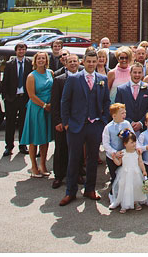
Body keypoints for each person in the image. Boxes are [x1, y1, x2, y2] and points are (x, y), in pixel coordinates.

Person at [59, 50, 111, 206]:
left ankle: (90, 189)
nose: (91, 64)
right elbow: (65, 101)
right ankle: (71, 191)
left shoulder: (102, 79)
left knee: (92, 160)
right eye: (88, 61)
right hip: (76, 125)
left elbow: (106, 102)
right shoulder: (74, 79)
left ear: (97, 63)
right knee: (74, 159)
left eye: (93, 62)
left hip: (95, 125)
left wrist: (103, 120)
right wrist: (66, 122)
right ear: (83, 61)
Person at [51, 54, 83, 189]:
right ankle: (59, 176)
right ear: (65, 64)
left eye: (75, 61)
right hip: (63, 121)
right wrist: (58, 121)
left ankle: (78, 173)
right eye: (70, 62)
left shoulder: (83, 78)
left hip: (78, 121)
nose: (73, 64)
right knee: (61, 148)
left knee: (77, 149)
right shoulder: (59, 80)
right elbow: (55, 102)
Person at [21, 51, 54, 177]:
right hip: (36, 108)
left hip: (48, 108)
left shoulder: (50, 73)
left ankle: (43, 165)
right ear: (35, 61)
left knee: (45, 138)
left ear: (46, 60)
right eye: (39, 58)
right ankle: (34, 167)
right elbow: (31, 95)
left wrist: (49, 105)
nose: (41, 60)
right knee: (35, 138)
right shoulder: (31, 76)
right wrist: (44, 105)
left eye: (43, 58)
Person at [2, 43, 32, 156]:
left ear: (25, 51)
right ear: (16, 51)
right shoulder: (10, 64)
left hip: (24, 98)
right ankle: (9, 146)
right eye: (19, 49)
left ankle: (22, 145)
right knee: (10, 123)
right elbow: (5, 82)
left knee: (23, 123)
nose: (21, 51)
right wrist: (5, 97)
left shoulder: (29, 63)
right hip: (11, 98)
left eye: (23, 49)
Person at [108, 130, 148, 213]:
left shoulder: (137, 152)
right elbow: (119, 163)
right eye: (131, 142)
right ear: (125, 144)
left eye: (134, 142)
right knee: (125, 188)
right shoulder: (123, 153)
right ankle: (124, 204)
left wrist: (144, 170)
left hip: (135, 173)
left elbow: (140, 162)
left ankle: (136, 201)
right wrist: (114, 158)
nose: (134, 144)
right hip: (125, 173)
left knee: (136, 187)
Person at [102, 102, 135, 197]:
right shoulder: (108, 127)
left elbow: (132, 136)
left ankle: (125, 196)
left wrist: (128, 138)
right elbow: (106, 143)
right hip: (113, 157)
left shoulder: (127, 124)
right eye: (122, 113)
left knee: (125, 176)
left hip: (125, 155)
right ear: (114, 116)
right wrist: (114, 152)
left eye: (125, 113)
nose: (124, 115)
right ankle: (114, 195)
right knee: (115, 176)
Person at [115, 64, 148, 135]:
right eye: (135, 72)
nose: (137, 75)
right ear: (130, 73)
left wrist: (141, 123)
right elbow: (118, 108)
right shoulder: (121, 89)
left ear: (143, 74)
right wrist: (130, 122)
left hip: (144, 128)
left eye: (139, 73)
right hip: (126, 128)